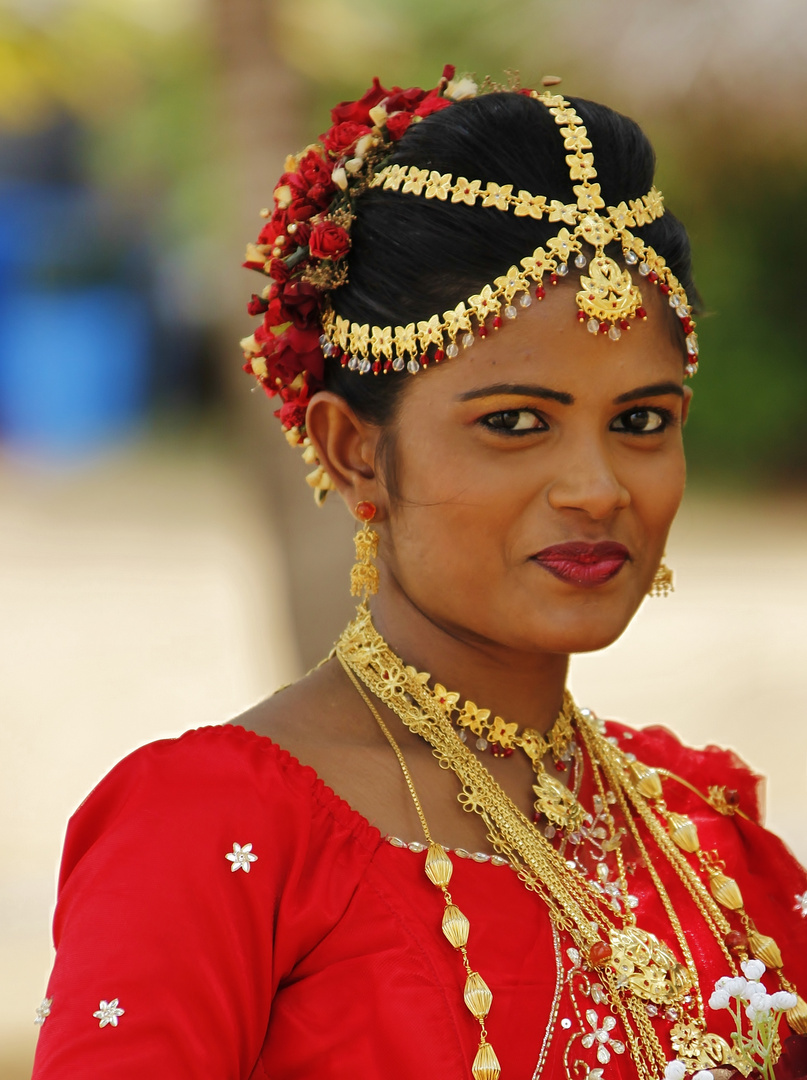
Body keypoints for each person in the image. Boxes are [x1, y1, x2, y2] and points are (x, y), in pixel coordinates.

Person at [32, 67, 807, 1080]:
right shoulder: (221, 834)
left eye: (641, 422)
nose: (597, 487)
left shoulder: (706, 840)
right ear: (356, 451)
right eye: (514, 424)